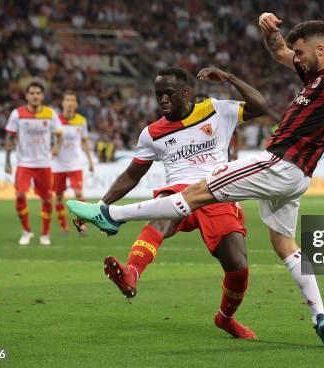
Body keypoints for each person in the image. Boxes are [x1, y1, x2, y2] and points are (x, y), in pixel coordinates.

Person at [67, 15, 324, 346]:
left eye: (300, 51)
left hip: (280, 163)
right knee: (284, 243)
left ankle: (111, 215)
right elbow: (278, 51)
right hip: (296, 177)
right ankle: (320, 316)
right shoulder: (315, 75)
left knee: (197, 192)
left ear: (320, 49)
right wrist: (269, 30)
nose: (294, 58)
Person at [92, 67, 267, 339]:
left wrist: (231, 78)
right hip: (180, 191)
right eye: (158, 94)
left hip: (217, 191)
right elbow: (132, 175)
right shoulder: (151, 133)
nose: (162, 100)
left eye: (168, 94)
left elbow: (260, 106)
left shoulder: (215, 110)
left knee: (238, 267)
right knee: (163, 208)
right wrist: (100, 206)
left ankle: (225, 319)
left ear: (186, 92)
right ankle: (132, 273)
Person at [5, 81, 63, 246]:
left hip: (44, 164)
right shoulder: (17, 114)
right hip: (24, 163)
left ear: (42, 96)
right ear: (26, 96)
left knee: (47, 199)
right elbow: (9, 138)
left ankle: (45, 234)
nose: (35, 96)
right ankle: (26, 231)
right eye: (32, 93)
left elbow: (59, 135)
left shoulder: (50, 114)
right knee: (20, 195)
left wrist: (57, 147)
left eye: (38, 93)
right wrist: (7, 161)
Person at [51, 90, 94, 234]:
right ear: (63, 103)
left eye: (72, 100)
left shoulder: (81, 121)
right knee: (58, 196)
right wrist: (52, 149)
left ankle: (81, 225)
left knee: (79, 193)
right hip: (58, 165)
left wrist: (90, 161)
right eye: (67, 100)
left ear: (76, 104)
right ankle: (63, 226)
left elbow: (85, 141)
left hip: (75, 163)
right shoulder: (55, 120)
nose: (70, 103)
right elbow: (47, 139)